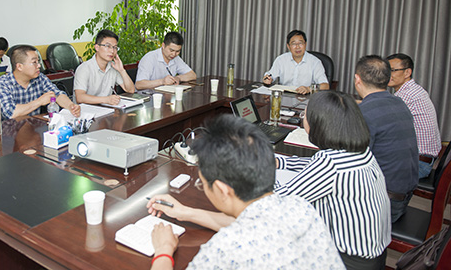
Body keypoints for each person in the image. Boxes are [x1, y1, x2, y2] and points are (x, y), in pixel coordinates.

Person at [147, 115, 344, 270]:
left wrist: (164, 250)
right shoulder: (300, 207)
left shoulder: (225, 248)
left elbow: (244, 231)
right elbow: (252, 224)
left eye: (203, 183)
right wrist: (185, 212)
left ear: (222, 190)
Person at [275, 91, 391, 269]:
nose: (303, 118)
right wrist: (280, 162)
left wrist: (261, 171)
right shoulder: (360, 152)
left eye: (305, 114)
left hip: (346, 261)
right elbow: (313, 165)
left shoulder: (330, 162)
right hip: (373, 257)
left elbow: (278, 200)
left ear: (318, 123)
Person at [355, 55, 418, 223]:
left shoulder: (365, 113)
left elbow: (352, 163)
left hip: (385, 203)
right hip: (403, 195)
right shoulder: (399, 103)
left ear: (357, 79)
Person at [387, 53, 441, 179]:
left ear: (407, 72)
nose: (388, 74)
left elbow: (382, 123)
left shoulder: (406, 95)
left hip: (417, 164)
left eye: (393, 70)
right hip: (422, 160)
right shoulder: (415, 90)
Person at [0, 45, 80, 119]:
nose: (39, 65)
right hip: (10, 131)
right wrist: (39, 101)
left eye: (38, 61)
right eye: (34, 62)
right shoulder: (1, 84)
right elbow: (10, 113)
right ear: (19, 67)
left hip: (34, 127)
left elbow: (57, 94)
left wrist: (71, 106)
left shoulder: (39, 78)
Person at [74, 30, 135, 105]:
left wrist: (122, 70)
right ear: (97, 47)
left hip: (106, 109)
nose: (112, 51)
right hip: (86, 110)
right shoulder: (84, 68)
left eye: (115, 47)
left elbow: (130, 90)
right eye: (108, 46)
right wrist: (106, 99)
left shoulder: (113, 66)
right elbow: (80, 97)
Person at [263, 30, 329, 94]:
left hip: (305, 97)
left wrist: (308, 89)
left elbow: (325, 85)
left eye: (300, 43)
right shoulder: (281, 60)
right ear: (288, 46)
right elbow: (270, 75)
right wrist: (268, 79)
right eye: (293, 44)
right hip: (285, 96)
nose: (297, 47)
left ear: (305, 44)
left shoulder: (315, 62)